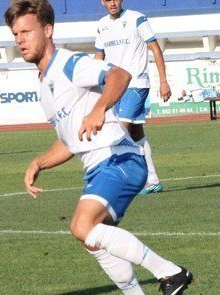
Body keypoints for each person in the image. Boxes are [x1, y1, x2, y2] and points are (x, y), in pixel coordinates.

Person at [4, 0, 193, 295]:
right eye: (15, 33)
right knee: (93, 238)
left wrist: (100, 109)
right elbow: (69, 140)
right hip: (100, 167)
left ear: (47, 30)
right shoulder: (43, 85)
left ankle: (171, 273)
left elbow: (120, 75)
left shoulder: (70, 64)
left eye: (27, 31)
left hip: (119, 157)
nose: (20, 39)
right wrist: (39, 162)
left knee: (81, 225)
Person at [94, 0, 171, 195]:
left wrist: (163, 81)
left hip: (136, 83)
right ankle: (152, 180)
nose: (112, 3)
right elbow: (98, 57)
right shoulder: (101, 24)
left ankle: (121, 180)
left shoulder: (136, 18)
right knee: (136, 135)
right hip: (115, 86)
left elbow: (155, 48)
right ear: (102, 2)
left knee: (120, 131)